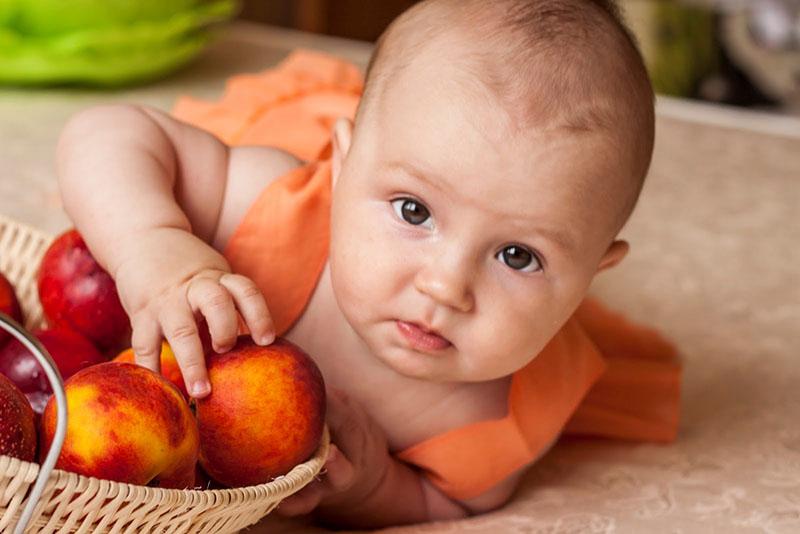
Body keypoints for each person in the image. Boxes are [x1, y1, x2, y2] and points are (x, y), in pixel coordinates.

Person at [56, 0, 681, 528]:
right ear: (344, 167)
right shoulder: (273, 211)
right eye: (413, 211)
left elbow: (452, 500)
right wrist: (156, 245)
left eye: (518, 256)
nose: (445, 286)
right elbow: (107, 131)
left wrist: (374, 484)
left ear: (594, 272)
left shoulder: (495, 421)